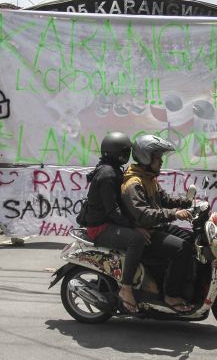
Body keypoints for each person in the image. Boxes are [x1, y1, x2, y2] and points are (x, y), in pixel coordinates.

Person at [121, 134, 195, 313]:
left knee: (193, 239)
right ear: (146, 158)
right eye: (158, 158)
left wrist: (186, 202)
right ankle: (170, 294)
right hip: (148, 232)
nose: (161, 162)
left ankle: (186, 286)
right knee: (181, 248)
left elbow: (164, 199)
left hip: (157, 227)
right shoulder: (134, 182)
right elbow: (144, 214)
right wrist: (174, 214)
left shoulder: (148, 177)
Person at [84, 131, 150, 313]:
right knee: (136, 239)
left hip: (107, 223)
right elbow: (113, 211)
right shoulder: (107, 174)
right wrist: (135, 226)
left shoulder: (112, 169)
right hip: (100, 227)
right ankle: (126, 288)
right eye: (125, 152)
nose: (127, 156)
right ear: (119, 153)